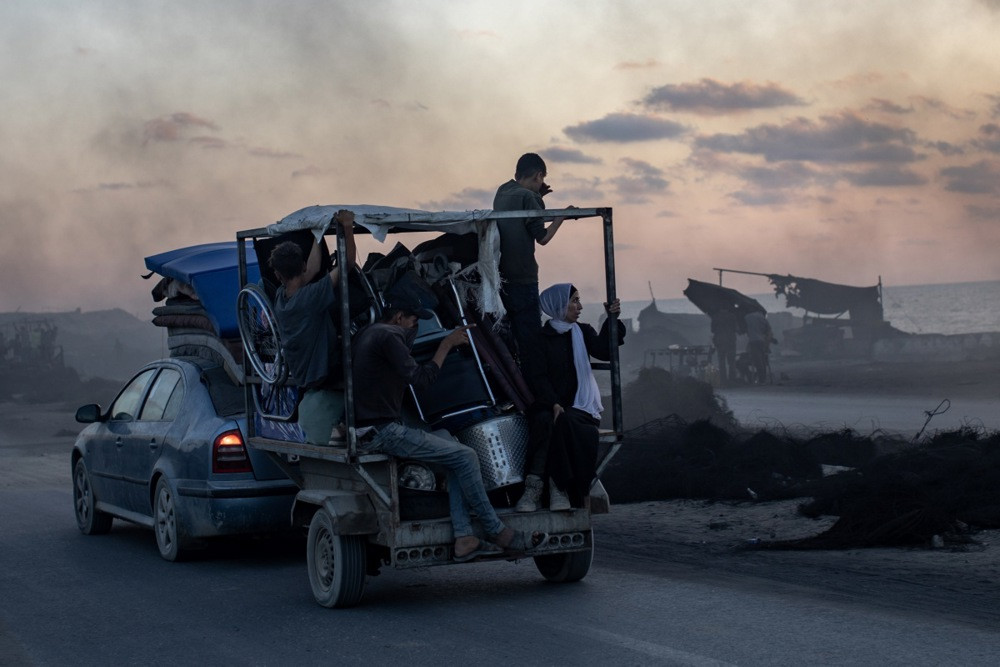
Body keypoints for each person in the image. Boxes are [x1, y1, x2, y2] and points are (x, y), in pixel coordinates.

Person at [351, 287, 543, 561]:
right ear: (398, 317)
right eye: (413, 320)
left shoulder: (369, 334)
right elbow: (422, 379)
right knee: (466, 456)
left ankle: (464, 537)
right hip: (384, 432)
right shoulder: (389, 335)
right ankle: (496, 530)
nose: (415, 324)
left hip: (371, 427)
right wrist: (447, 344)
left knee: (452, 451)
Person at [516, 283, 626, 512]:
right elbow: (538, 377)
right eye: (574, 301)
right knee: (546, 420)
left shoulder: (583, 331)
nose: (580, 306)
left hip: (581, 406)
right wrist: (553, 403)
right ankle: (535, 488)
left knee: (565, 423)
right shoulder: (540, 338)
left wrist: (612, 319)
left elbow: (604, 351)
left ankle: (558, 487)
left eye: (579, 300)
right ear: (558, 305)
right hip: (550, 403)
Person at [268, 209, 357, 445]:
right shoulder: (310, 298)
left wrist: (318, 234)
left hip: (305, 374)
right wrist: (347, 226)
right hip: (322, 373)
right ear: (302, 266)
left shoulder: (281, 297)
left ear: (278, 275)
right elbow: (347, 264)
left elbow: (313, 269)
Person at [493, 152, 573, 365]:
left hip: (502, 277)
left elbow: (520, 214)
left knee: (514, 339)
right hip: (524, 278)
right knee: (531, 344)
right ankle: (538, 393)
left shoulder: (502, 191)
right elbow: (543, 237)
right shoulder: (529, 198)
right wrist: (561, 217)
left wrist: (539, 197)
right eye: (542, 180)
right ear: (538, 175)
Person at [743, 310, 774, 384]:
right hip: (761, 341)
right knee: (762, 359)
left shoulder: (747, 317)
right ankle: (762, 379)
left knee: (758, 360)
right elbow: (769, 330)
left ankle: (761, 379)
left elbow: (744, 329)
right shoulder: (763, 318)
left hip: (753, 340)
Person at [710, 308, 738, 385]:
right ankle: (732, 380)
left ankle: (723, 380)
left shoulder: (715, 317)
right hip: (730, 340)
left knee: (721, 361)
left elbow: (712, 330)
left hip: (720, 341)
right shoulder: (732, 316)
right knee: (732, 361)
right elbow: (735, 328)